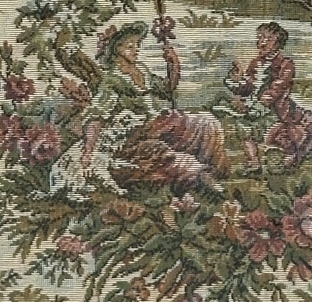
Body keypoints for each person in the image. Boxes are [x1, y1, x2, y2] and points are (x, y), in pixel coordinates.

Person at [79, 20, 229, 194]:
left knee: (206, 122)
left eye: (137, 45)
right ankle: (199, 177)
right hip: (136, 134)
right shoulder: (112, 80)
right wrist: (88, 151)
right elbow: (96, 115)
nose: (136, 50)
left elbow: (166, 89)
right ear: (117, 50)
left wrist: (173, 65)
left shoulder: (141, 70)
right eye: (130, 46)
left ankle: (213, 169)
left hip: (159, 125)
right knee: (164, 154)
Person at [225, 21, 312, 170]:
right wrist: (238, 80)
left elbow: (278, 87)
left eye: (268, 39)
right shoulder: (255, 63)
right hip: (255, 106)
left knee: (281, 138)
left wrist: (261, 103)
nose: (262, 42)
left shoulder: (286, 64)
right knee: (243, 128)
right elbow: (248, 87)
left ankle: (291, 158)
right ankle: (253, 162)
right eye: (259, 37)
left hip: (276, 109)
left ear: (278, 43)